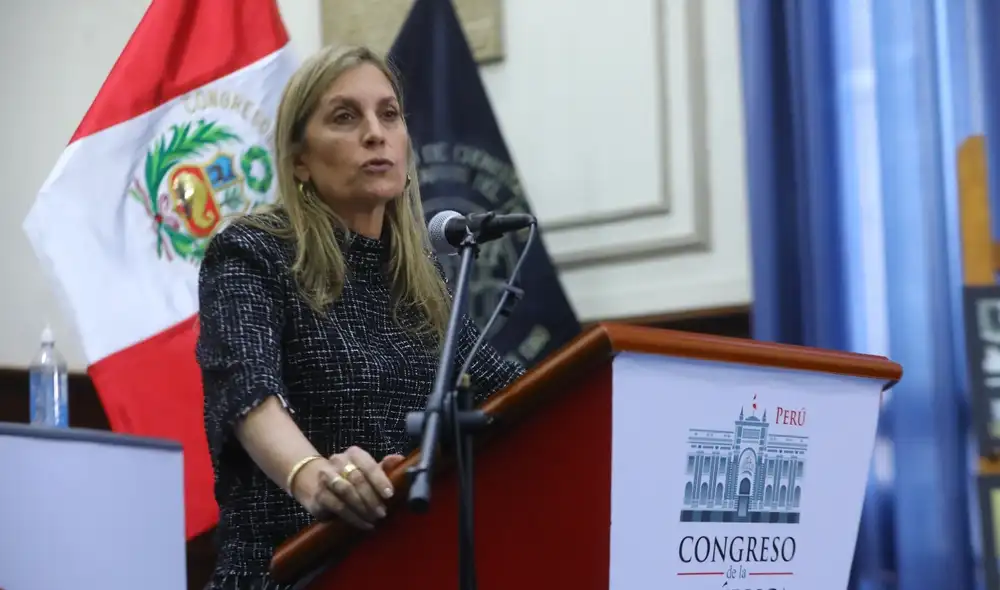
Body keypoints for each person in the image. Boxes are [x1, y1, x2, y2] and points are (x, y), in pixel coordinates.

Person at [196, 44, 525, 590]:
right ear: (299, 158)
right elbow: (247, 389)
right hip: (284, 572)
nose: (376, 133)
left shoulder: (420, 280)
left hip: (400, 570)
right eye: (345, 117)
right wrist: (310, 475)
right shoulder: (253, 254)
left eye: (389, 114)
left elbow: (511, 395)